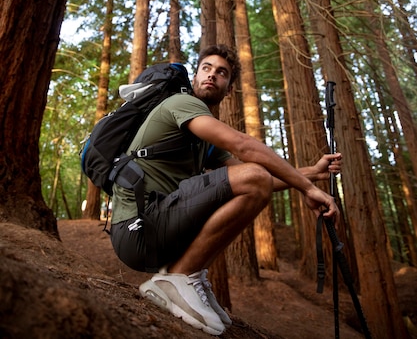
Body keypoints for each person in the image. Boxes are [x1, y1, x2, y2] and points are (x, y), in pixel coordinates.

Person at [110, 44, 342, 336]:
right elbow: (244, 148)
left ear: (228, 88)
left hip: (155, 228)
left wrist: (312, 174)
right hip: (138, 227)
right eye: (206, 68)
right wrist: (306, 187)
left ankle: (185, 275)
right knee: (252, 176)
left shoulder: (203, 140)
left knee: (249, 180)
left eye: (221, 73)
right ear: (195, 76)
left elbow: (252, 182)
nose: (212, 75)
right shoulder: (181, 104)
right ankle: (179, 277)